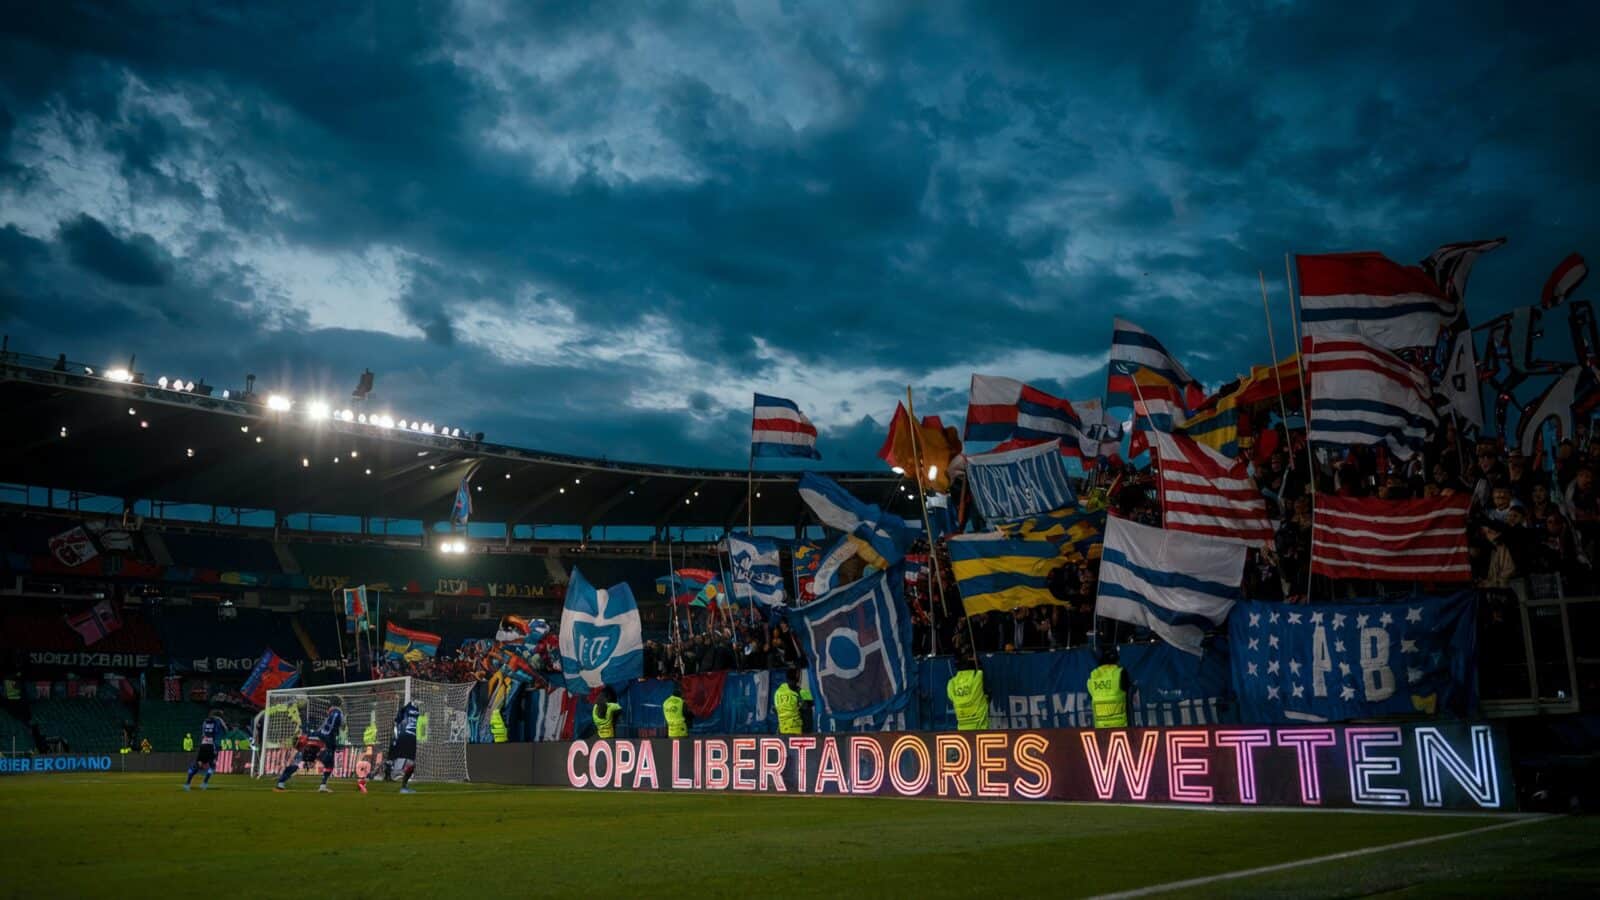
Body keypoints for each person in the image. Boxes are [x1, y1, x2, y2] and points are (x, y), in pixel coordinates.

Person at [276, 697, 344, 792]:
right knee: (329, 764)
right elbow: (332, 728)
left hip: (315, 739)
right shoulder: (338, 713)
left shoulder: (329, 714)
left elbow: (325, 728)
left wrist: (308, 735)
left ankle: (280, 783)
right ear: (339, 704)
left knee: (298, 761)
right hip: (323, 742)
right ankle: (323, 786)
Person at [377, 698, 422, 795]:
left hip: (405, 737)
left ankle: (387, 776)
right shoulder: (409, 709)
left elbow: (397, 722)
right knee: (410, 762)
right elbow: (397, 722)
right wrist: (396, 735)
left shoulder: (409, 709)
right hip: (407, 738)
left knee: (393, 756)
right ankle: (403, 786)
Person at [1087, 646, 1132, 728]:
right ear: (1117, 660)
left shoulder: (1093, 675)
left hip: (1100, 727)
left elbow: (1090, 692)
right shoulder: (1119, 673)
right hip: (1120, 726)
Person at [183, 709, 227, 791]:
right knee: (212, 765)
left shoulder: (205, 722)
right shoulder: (218, 721)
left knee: (198, 764)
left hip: (203, 745)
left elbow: (203, 732)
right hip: (211, 745)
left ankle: (187, 784)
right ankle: (204, 783)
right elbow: (225, 730)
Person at [947, 651, 989, 731]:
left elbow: (950, 696)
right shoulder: (978, 677)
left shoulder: (951, 683)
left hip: (962, 732)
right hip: (980, 729)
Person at [775, 669, 803, 736]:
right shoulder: (801, 691)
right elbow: (810, 704)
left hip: (781, 729)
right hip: (795, 730)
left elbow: (776, 709)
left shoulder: (778, 691)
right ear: (797, 677)